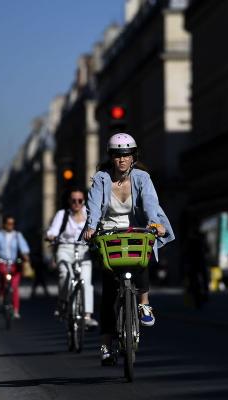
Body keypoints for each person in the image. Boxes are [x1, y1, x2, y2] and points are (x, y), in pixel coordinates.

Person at [82, 132, 174, 366]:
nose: (122, 159)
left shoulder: (142, 177)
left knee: (141, 259)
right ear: (111, 157)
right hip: (109, 233)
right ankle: (105, 344)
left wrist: (154, 224)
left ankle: (144, 303)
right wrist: (91, 227)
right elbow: (93, 206)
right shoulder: (102, 178)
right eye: (117, 155)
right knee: (109, 291)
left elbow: (150, 203)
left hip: (135, 230)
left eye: (126, 155)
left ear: (133, 157)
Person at [46, 188, 98, 328]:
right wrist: (51, 236)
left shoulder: (89, 214)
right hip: (65, 248)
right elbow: (53, 230)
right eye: (73, 200)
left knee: (86, 281)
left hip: (83, 250)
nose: (76, 203)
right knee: (65, 274)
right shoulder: (62, 215)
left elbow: (96, 227)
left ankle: (87, 315)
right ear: (69, 201)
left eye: (80, 200)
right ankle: (62, 302)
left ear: (84, 201)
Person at [0, 216, 30, 319]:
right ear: (4, 224)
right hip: (3, 262)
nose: (10, 226)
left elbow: (23, 247)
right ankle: (1, 295)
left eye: (12, 224)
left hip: (14, 264)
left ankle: (16, 310)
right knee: (3, 278)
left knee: (15, 287)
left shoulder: (17, 235)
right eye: (8, 223)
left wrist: (26, 257)